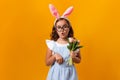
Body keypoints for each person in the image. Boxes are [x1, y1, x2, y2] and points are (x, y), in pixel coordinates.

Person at [45, 4, 81, 80]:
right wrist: (54, 56)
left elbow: (79, 60)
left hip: (70, 75)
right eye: (59, 27)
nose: (62, 30)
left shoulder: (73, 43)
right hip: (55, 75)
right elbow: (47, 62)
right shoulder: (52, 44)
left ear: (69, 28)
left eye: (65, 27)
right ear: (55, 29)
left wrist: (73, 57)